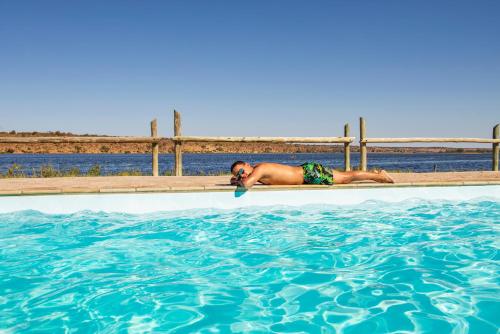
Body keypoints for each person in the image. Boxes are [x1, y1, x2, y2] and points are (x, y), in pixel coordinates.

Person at [230, 161, 394, 189]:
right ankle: (377, 175)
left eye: (242, 172)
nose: (242, 176)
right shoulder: (257, 172)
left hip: (309, 173)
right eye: (239, 175)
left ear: (247, 165)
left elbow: (247, 185)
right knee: (345, 177)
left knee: (345, 178)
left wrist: (238, 181)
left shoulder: (260, 169)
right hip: (306, 174)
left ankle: (380, 176)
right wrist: (236, 179)